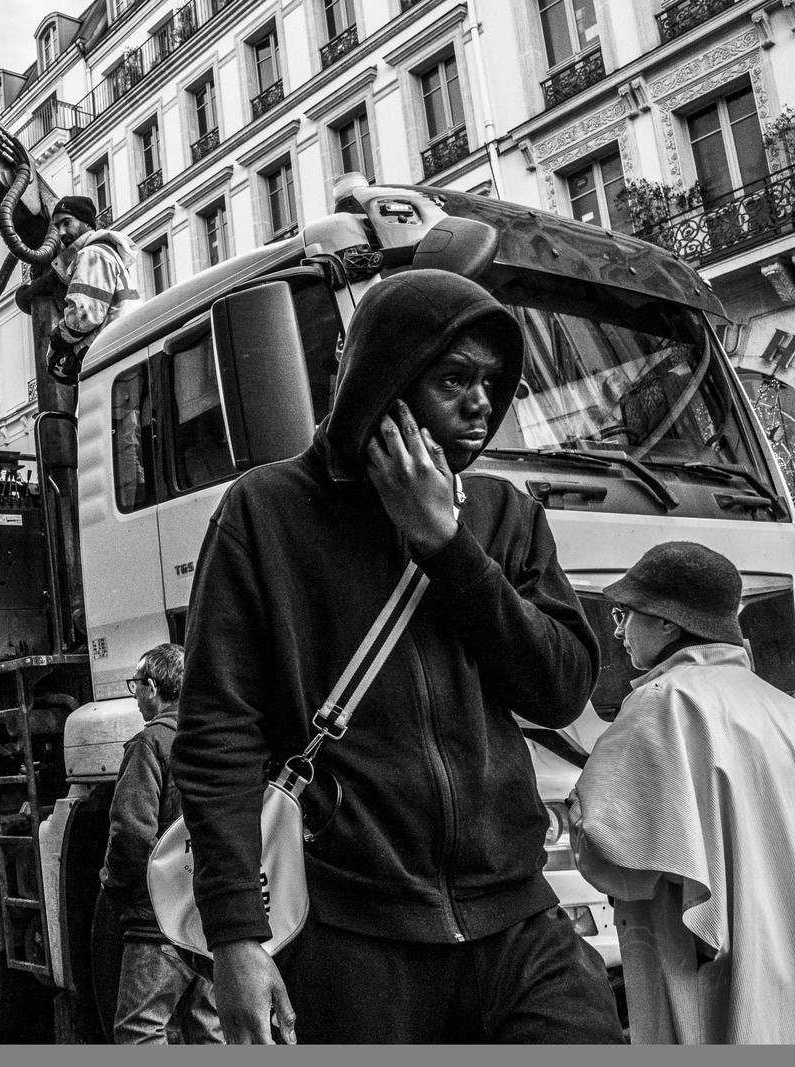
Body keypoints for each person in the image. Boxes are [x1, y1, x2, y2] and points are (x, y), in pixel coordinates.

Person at [172, 269, 622, 1044]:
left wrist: (448, 546)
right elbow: (218, 734)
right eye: (453, 379)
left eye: (492, 383)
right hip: (353, 931)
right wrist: (236, 937)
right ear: (384, 380)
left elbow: (559, 686)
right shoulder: (264, 511)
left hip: (515, 917)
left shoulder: (504, 514)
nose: (481, 403)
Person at [571, 541, 795, 1044]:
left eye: (625, 614)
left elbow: (601, 836)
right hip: (780, 956)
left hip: (698, 967)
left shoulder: (664, 700)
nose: (619, 630)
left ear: (668, 624)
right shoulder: (782, 709)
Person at [100, 643, 223, 1045]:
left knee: (140, 1031)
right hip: (212, 916)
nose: (135, 695)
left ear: (152, 688)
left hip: (160, 921)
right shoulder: (216, 740)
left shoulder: (149, 744)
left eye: (135, 685)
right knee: (209, 1029)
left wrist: (116, 886)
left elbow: (131, 834)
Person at [20, 195, 140, 383]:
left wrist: (58, 342)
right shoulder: (105, 253)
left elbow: (83, 316)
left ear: (87, 223)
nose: (61, 232)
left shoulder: (91, 254)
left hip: (113, 351)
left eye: (67, 222)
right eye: (57, 226)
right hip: (123, 347)